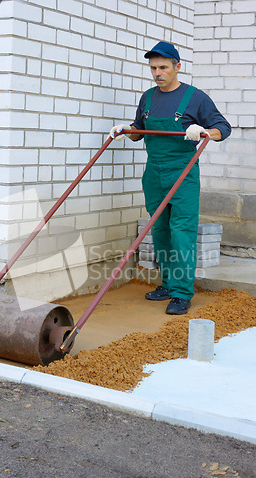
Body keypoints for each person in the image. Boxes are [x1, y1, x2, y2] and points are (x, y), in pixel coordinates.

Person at [109, 41, 231, 315]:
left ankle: (182, 293)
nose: (157, 73)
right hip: (154, 172)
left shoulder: (195, 98)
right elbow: (141, 129)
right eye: (153, 68)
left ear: (177, 66)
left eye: (163, 67)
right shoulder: (148, 97)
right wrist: (127, 129)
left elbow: (224, 127)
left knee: (181, 233)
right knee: (160, 230)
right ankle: (167, 283)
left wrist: (203, 131)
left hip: (183, 173)